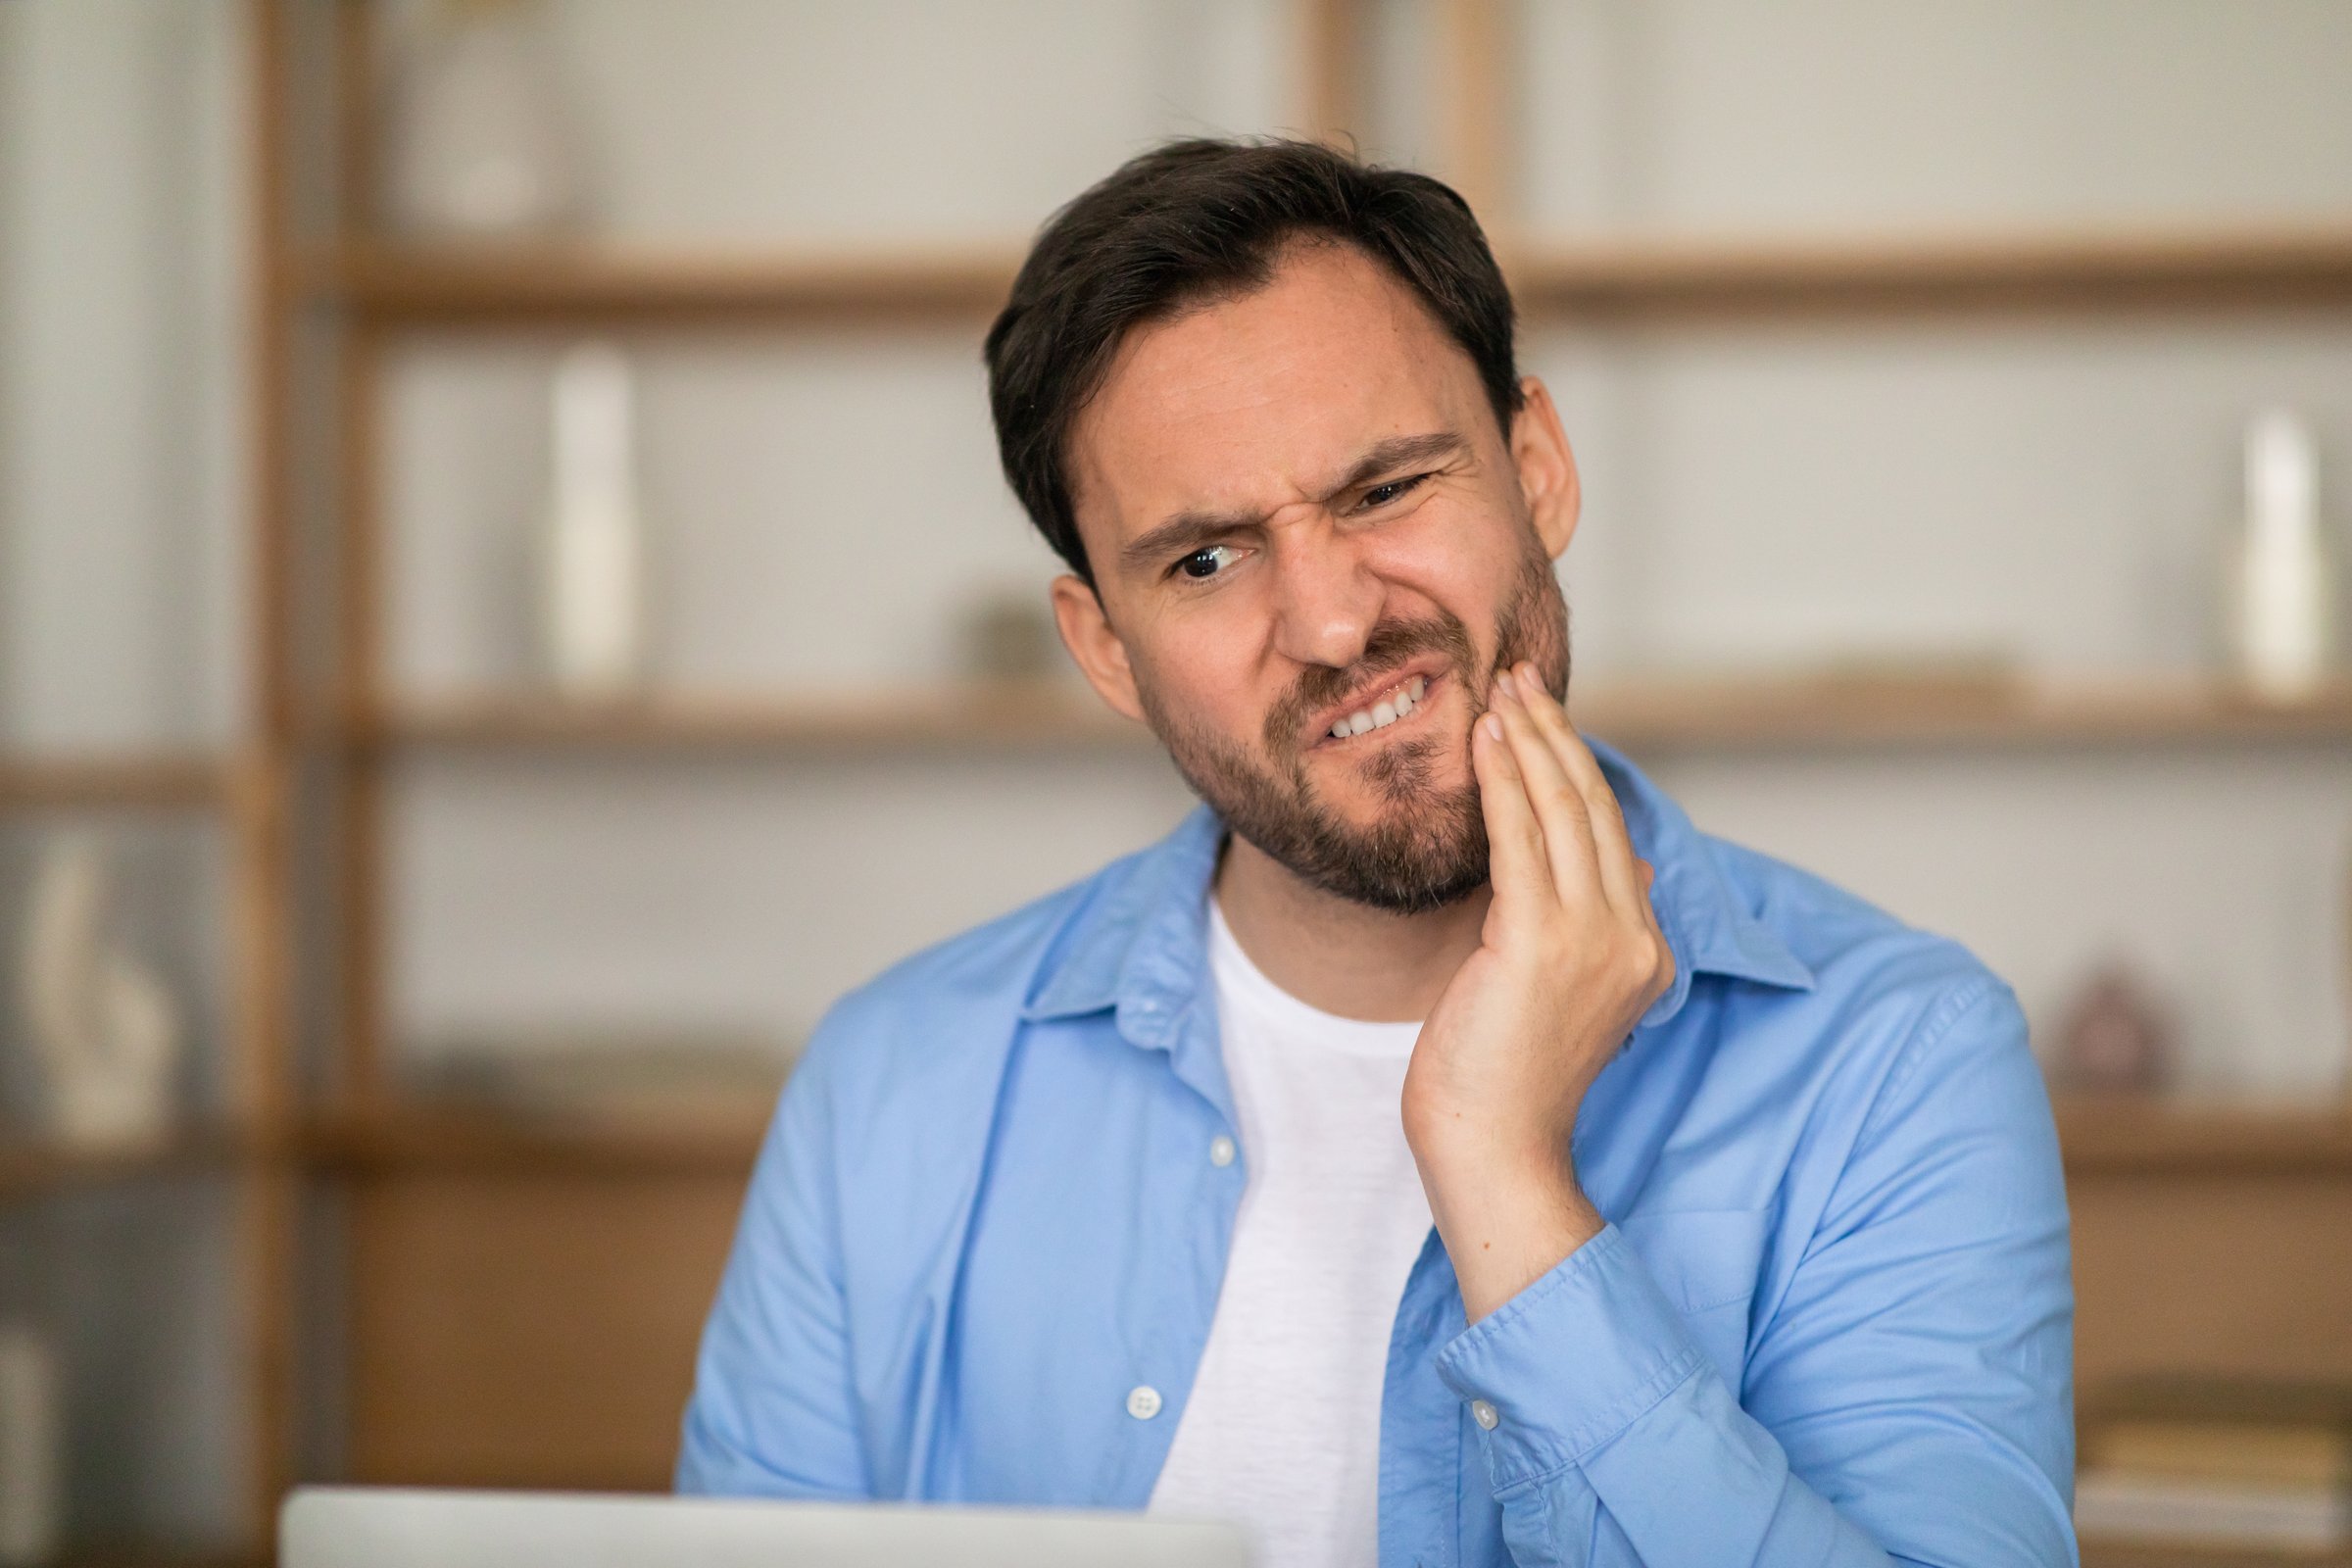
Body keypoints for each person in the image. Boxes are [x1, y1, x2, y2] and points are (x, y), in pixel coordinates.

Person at [675, 138, 2075, 1568]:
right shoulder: (891, 1086)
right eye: (1206, 559)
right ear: (1105, 649)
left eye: (1387, 489)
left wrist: (1506, 1175)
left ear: (1537, 472)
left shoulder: (1896, 1059)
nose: (1336, 623)